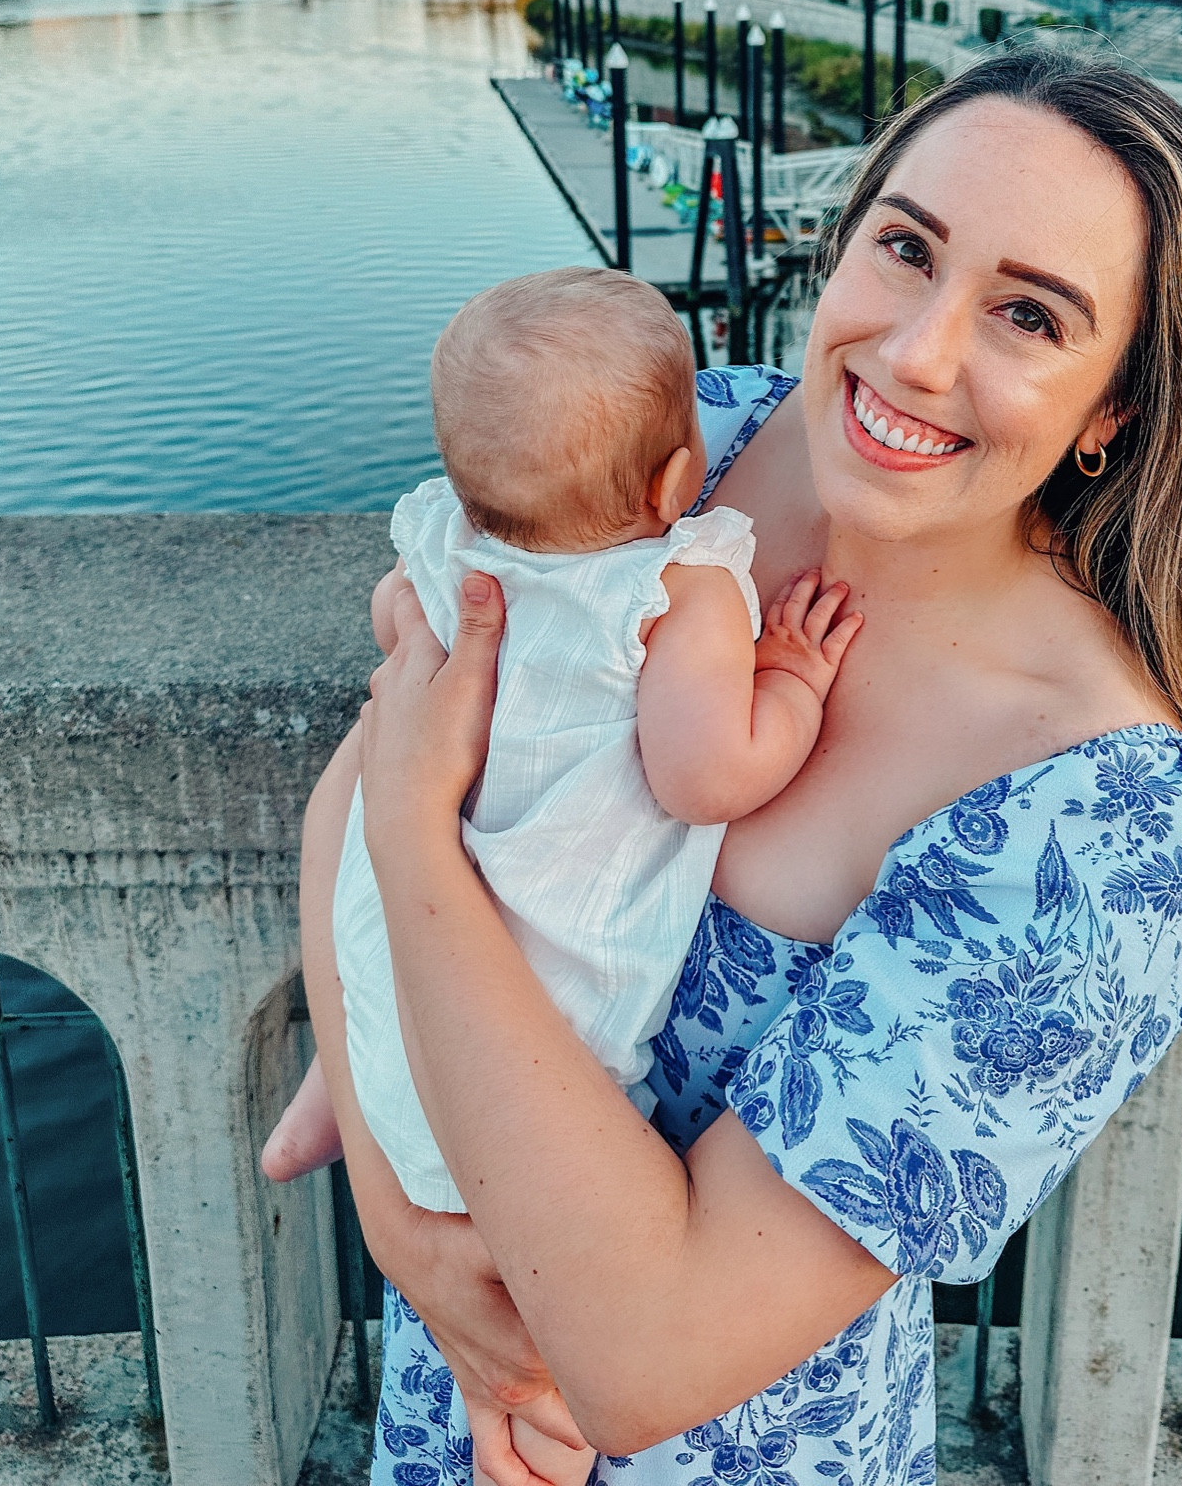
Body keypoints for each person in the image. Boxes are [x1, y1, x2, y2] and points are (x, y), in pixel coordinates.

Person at [293, 52, 1182, 1486]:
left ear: (1115, 406)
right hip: (466, 1393)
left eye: (1025, 314)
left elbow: (644, 1358)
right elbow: (357, 787)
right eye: (905, 246)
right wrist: (399, 1225)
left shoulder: (1104, 825)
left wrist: (419, 842)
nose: (915, 355)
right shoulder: (696, 449)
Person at [265, 268, 860, 1226]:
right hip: (549, 973)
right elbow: (706, 778)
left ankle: (322, 1111)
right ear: (675, 481)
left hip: (410, 912)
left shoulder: (446, 539)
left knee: (378, 981)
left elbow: (394, 619)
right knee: (553, 1118)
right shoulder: (675, 590)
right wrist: (787, 680)